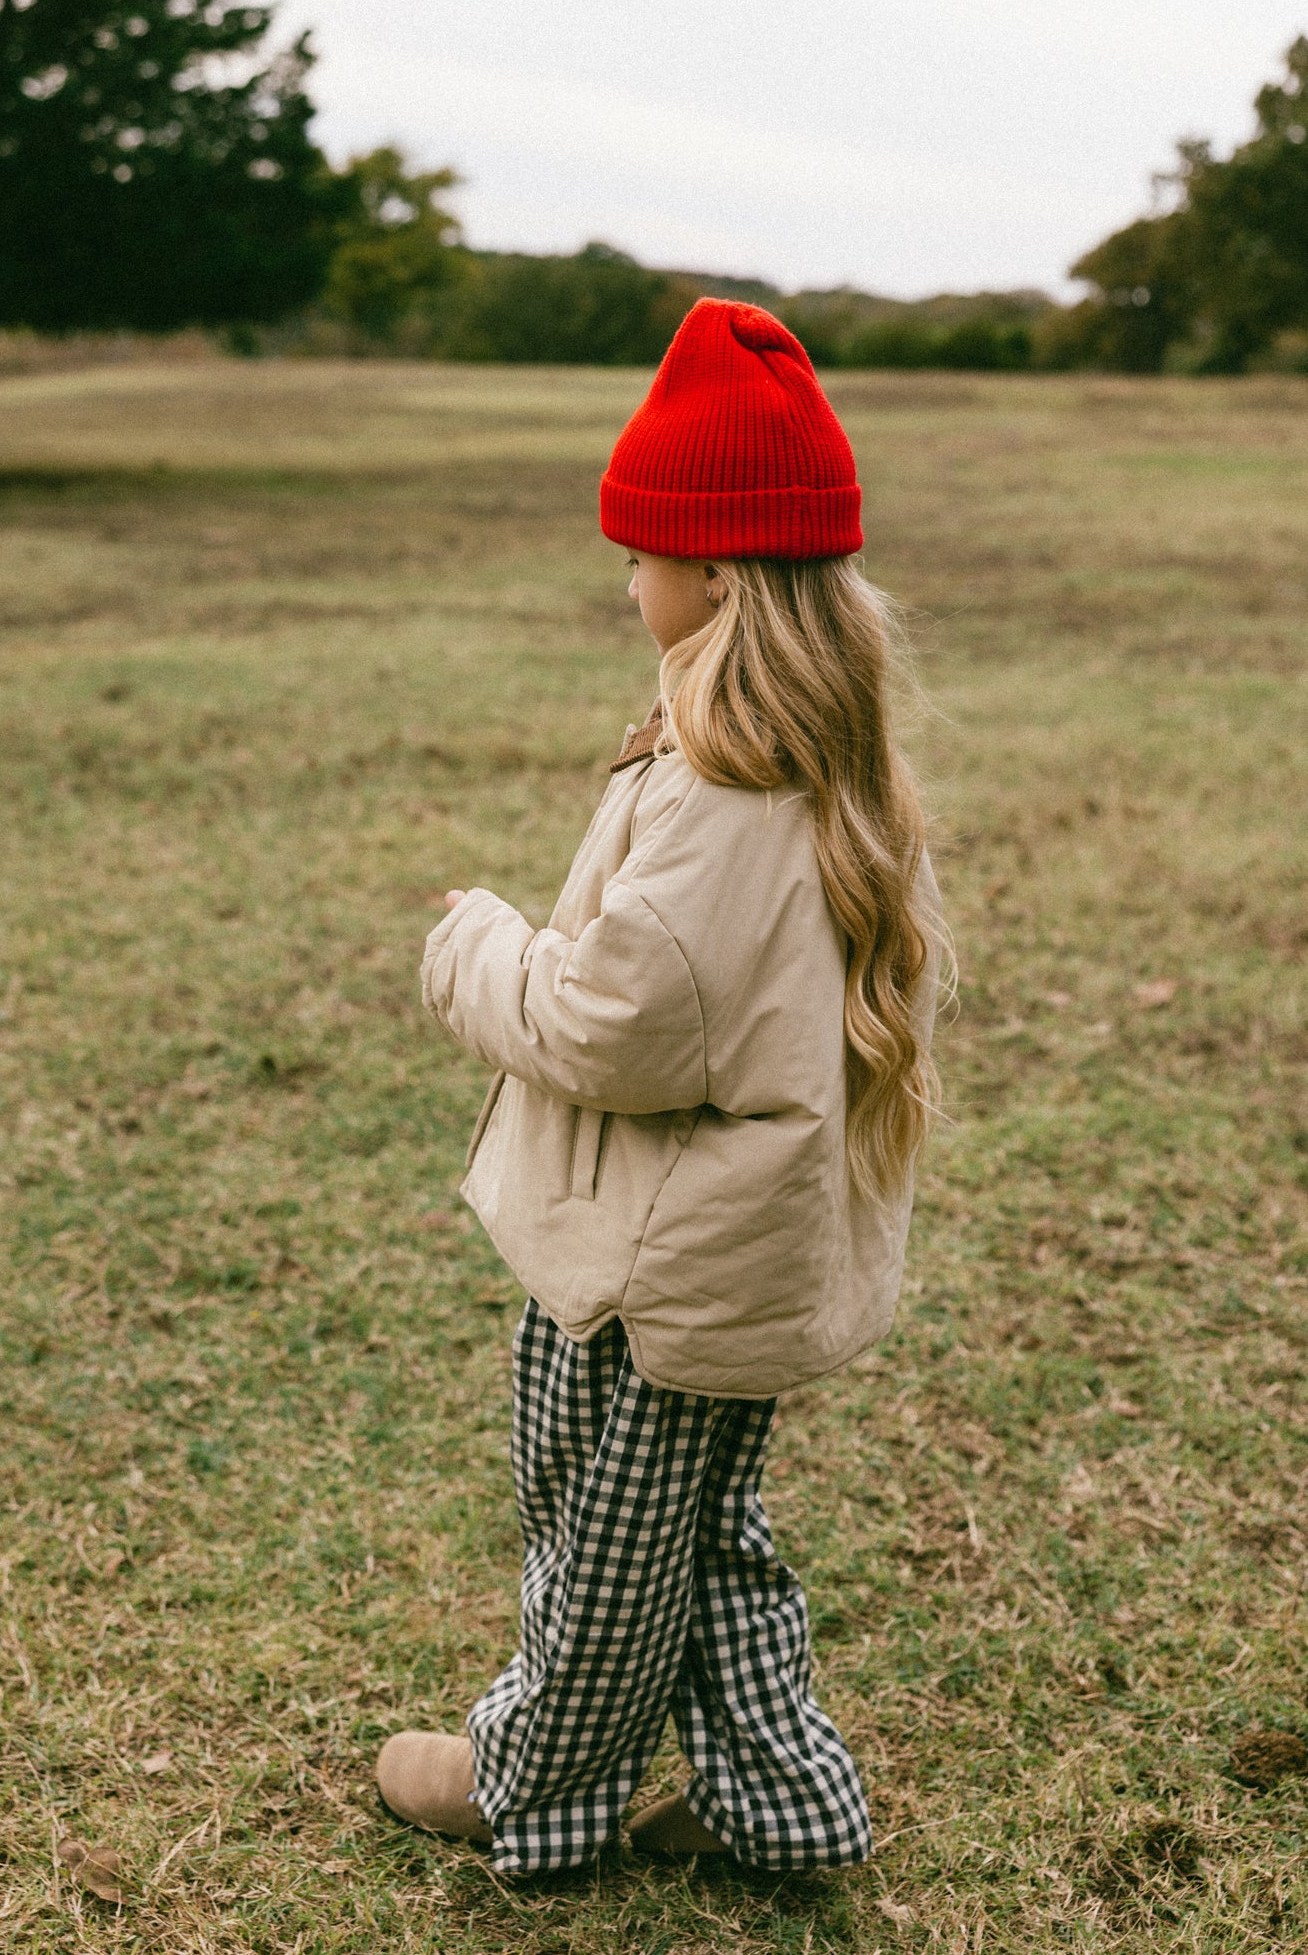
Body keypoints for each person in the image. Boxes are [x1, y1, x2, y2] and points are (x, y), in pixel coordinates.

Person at [376, 298, 951, 1877]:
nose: (625, 581)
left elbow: (613, 1023)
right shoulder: (808, 750)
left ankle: (527, 1785)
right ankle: (785, 1810)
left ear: (709, 568)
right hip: (701, 1247)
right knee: (696, 1542)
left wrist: (471, 950)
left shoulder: (724, 782)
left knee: (605, 1555)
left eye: (634, 553)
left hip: (659, 1270)